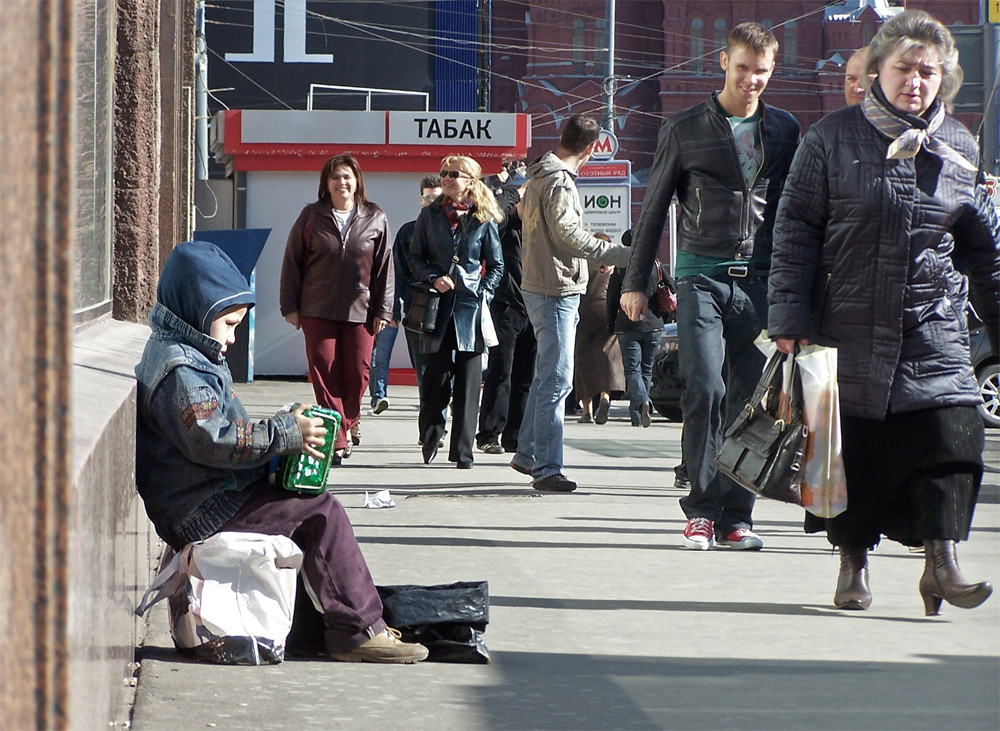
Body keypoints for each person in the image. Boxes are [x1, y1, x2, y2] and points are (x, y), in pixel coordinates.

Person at [768, 10, 999, 614]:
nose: (915, 81)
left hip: (933, 324)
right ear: (877, 70)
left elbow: (985, 251)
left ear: (943, 78)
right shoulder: (830, 138)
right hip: (846, 322)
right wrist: (788, 320)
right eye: (904, 68)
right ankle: (853, 561)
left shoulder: (960, 145)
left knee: (954, 436)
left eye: (928, 71)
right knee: (856, 450)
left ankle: (942, 565)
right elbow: (795, 233)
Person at [134, 241, 427, 663]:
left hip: (205, 496)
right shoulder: (181, 368)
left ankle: (330, 623)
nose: (233, 338)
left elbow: (217, 434)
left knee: (307, 501)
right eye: (230, 324)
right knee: (320, 510)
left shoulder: (187, 351)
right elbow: (214, 438)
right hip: (205, 508)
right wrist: (287, 431)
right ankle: (357, 631)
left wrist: (282, 430)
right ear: (200, 311)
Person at [620, 22, 800, 549]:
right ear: (724, 61)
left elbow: (800, 213)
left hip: (761, 282)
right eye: (742, 68)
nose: (750, 81)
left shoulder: (786, 130)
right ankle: (699, 510)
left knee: (750, 399)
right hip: (701, 276)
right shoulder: (684, 128)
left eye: (761, 73)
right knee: (705, 385)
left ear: (772, 72)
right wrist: (635, 282)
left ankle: (736, 516)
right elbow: (653, 210)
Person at [509, 113, 631, 492]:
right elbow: (566, 236)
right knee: (558, 379)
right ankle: (547, 468)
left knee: (548, 374)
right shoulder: (559, 181)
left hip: (539, 283)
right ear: (592, 149)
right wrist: (618, 253)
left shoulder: (539, 176)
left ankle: (528, 453)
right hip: (555, 289)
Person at [279, 155, 394, 464]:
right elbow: (292, 261)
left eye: (347, 177)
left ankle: (348, 421)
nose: (341, 182)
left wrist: (383, 310)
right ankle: (339, 440)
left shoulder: (375, 217)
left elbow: (384, 268)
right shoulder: (311, 216)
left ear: (357, 181)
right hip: (317, 309)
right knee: (324, 372)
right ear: (325, 183)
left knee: (358, 374)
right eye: (335, 177)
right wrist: (289, 306)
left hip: (361, 310)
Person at [408, 155, 504, 469]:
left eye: (454, 174)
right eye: (444, 173)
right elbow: (415, 259)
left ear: (471, 182)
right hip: (437, 308)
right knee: (435, 379)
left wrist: (483, 292)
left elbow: (496, 265)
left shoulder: (483, 218)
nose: (447, 178)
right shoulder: (429, 216)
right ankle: (432, 433)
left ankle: (463, 452)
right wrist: (434, 278)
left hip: (469, 310)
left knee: (468, 383)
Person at [368, 175, 443, 417]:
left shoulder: (453, 230)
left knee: (444, 367)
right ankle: (430, 421)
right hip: (416, 307)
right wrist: (393, 310)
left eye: (437, 197)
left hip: (447, 307)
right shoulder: (408, 232)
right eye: (428, 197)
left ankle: (438, 414)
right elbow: (397, 273)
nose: (432, 202)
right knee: (421, 367)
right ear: (421, 199)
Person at [476, 167, 537, 455]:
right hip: (507, 306)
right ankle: (488, 434)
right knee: (501, 372)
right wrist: (516, 193)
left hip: (536, 308)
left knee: (526, 377)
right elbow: (494, 216)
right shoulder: (506, 224)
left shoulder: (542, 227)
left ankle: (515, 436)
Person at [607, 230, 664, 427]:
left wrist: (610, 324)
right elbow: (670, 286)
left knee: (632, 370)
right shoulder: (655, 264)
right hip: (653, 324)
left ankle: (643, 402)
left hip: (627, 325)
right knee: (646, 370)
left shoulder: (621, 269)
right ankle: (637, 414)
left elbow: (612, 298)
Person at [574, 254, 626, 425]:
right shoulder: (613, 267)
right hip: (606, 311)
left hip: (584, 313)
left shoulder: (583, 265)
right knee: (608, 355)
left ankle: (587, 411)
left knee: (582, 359)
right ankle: (605, 396)